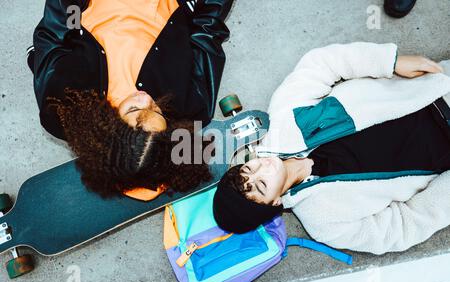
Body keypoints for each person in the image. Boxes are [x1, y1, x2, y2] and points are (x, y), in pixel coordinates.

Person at [213, 42, 450, 255]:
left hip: (438, 92)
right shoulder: (324, 222)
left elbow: (323, 64)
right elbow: (401, 228)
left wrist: (391, 62)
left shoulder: (282, 121)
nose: (262, 168)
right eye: (262, 185)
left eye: (249, 168)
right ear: (275, 203)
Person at [27, 0, 233, 198]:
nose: (145, 100)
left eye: (134, 111)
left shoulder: (65, 109)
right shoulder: (192, 109)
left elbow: (53, 35)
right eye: (156, 109)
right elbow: (208, 31)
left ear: (108, 128)